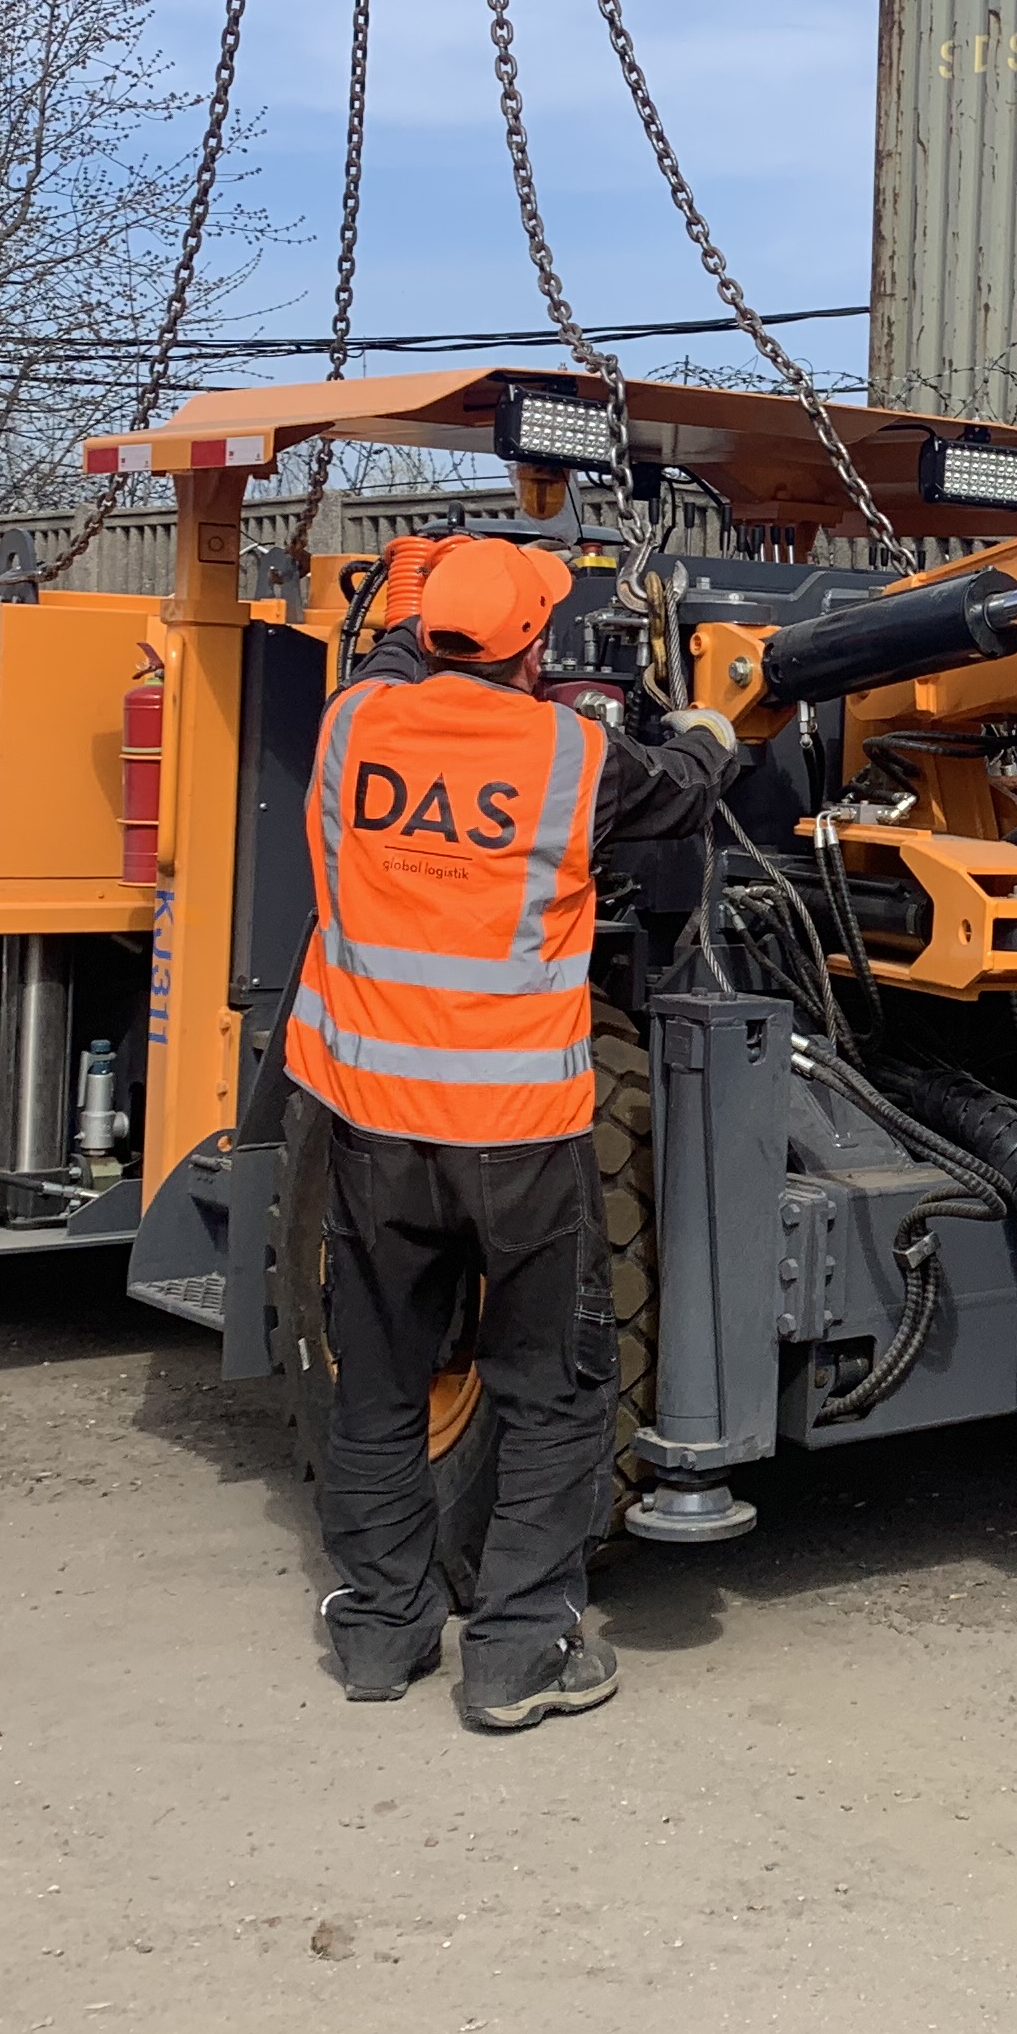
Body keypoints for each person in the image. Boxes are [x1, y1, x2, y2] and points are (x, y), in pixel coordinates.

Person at [287, 535, 743, 1729]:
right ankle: (517, 1652)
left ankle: (381, 1634)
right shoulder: (570, 755)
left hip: (372, 1123)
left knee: (380, 1379)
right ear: (535, 647)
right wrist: (717, 726)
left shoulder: (352, 727)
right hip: (516, 1135)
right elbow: (682, 787)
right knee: (551, 1390)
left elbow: (390, 663)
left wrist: (419, 596)